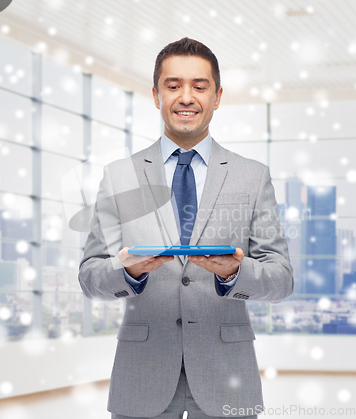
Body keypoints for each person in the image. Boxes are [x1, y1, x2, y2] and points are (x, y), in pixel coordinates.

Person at [78, 38, 294, 419]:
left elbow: (281, 279)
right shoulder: (120, 176)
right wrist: (126, 272)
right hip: (142, 375)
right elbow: (89, 276)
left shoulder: (252, 177)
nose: (186, 97)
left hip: (227, 374)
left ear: (218, 95)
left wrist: (236, 272)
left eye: (200, 85)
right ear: (156, 94)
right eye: (173, 85)